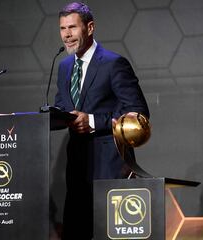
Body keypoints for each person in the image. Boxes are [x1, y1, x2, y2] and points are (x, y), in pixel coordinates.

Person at [54, 2, 150, 239]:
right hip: (77, 166)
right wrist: (20, 121)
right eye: (63, 28)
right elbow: (62, 108)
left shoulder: (113, 63)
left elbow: (137, 111)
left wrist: (94, 122)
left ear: (90, 27)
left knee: (107, 232)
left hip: (110, 166)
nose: (66, 34)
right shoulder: (64, 67)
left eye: (72, 27)